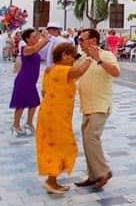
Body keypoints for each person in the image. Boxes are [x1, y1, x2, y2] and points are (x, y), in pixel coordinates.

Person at [36, 42, 94, 194]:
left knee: (54, 146)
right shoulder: (62, 69)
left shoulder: (50, 69)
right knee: (60, 147)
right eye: (72, 56)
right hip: (56, 116)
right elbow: (80, 71)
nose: (73, 60)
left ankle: (52, 180)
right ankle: (51, 181)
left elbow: (44, 92)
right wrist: (90, 58)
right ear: (64, 55)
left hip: (49, 113)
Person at [74, 28, 120, 189]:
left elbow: (116, 72)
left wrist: (98, 60)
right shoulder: (83, 58)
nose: (79, 42)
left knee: (91, 138)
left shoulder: (106, 55)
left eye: (82, 39)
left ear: (92, 40)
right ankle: (93, 175)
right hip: (87, 105)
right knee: (87, 141)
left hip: (100, 105)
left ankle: (103, 171)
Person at [9, 28, 49, 136]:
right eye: (34, 37)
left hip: (31, 81)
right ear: (27, 39)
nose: (36, 38)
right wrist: (45, 37)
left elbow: (41, 46)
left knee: (34, 102)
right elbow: (38, 47)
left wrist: (45, 38)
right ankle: (16, 124)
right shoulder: (26, 49)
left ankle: (29, 122)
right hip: (24, 80)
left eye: (37, 36)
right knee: (21, 103)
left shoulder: (33, 48)